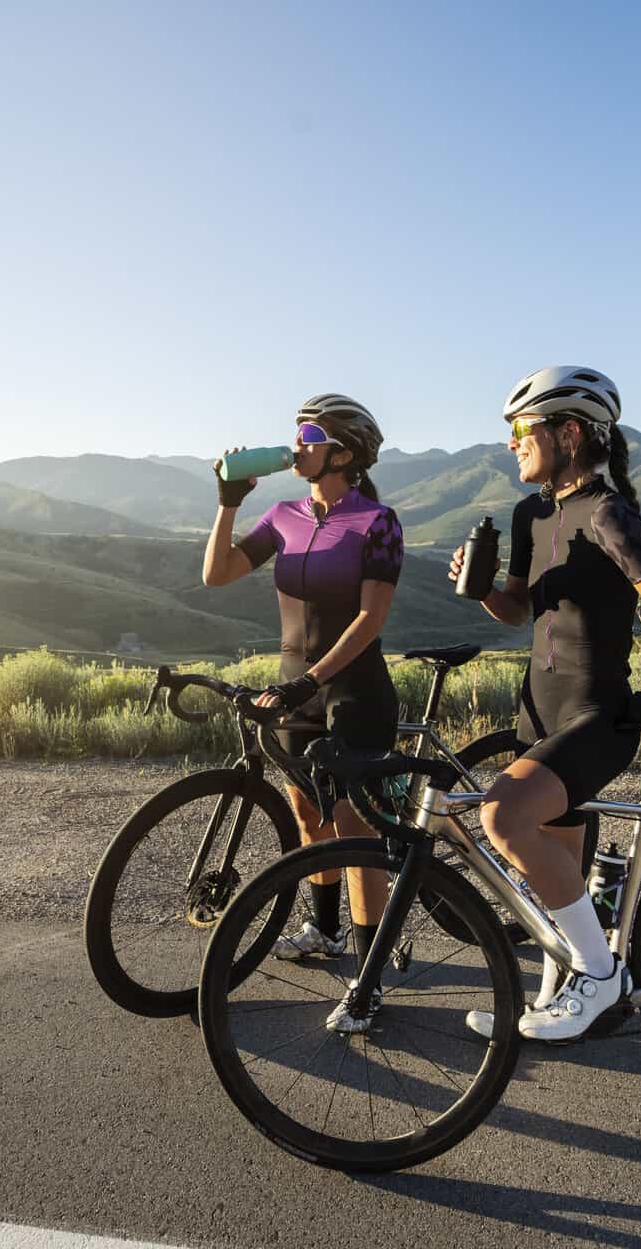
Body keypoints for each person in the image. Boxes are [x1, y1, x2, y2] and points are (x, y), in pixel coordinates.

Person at [449, 366, 641, 1042]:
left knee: (503, 817)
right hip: (537, 713)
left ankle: (602, 977)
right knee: (551, 875)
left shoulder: (607, 513)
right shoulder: (529, 513)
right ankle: (557, 1000)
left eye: (520, 429)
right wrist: (478, 588)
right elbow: (515, 613)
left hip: (596, 717)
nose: (511, 443)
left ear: (567, 434)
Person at [202, 393, 404, 1032]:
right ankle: (326, 933)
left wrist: (311, 681)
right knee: (307, 811)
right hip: (295, 686)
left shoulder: (377, 521)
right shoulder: (285, 513)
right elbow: (218, 573)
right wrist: (229, 503)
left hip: (352, 690)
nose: (297, 443)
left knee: (353, 827)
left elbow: (371, 619)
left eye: (309, 434)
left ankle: (369, 981)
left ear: (342, 453)